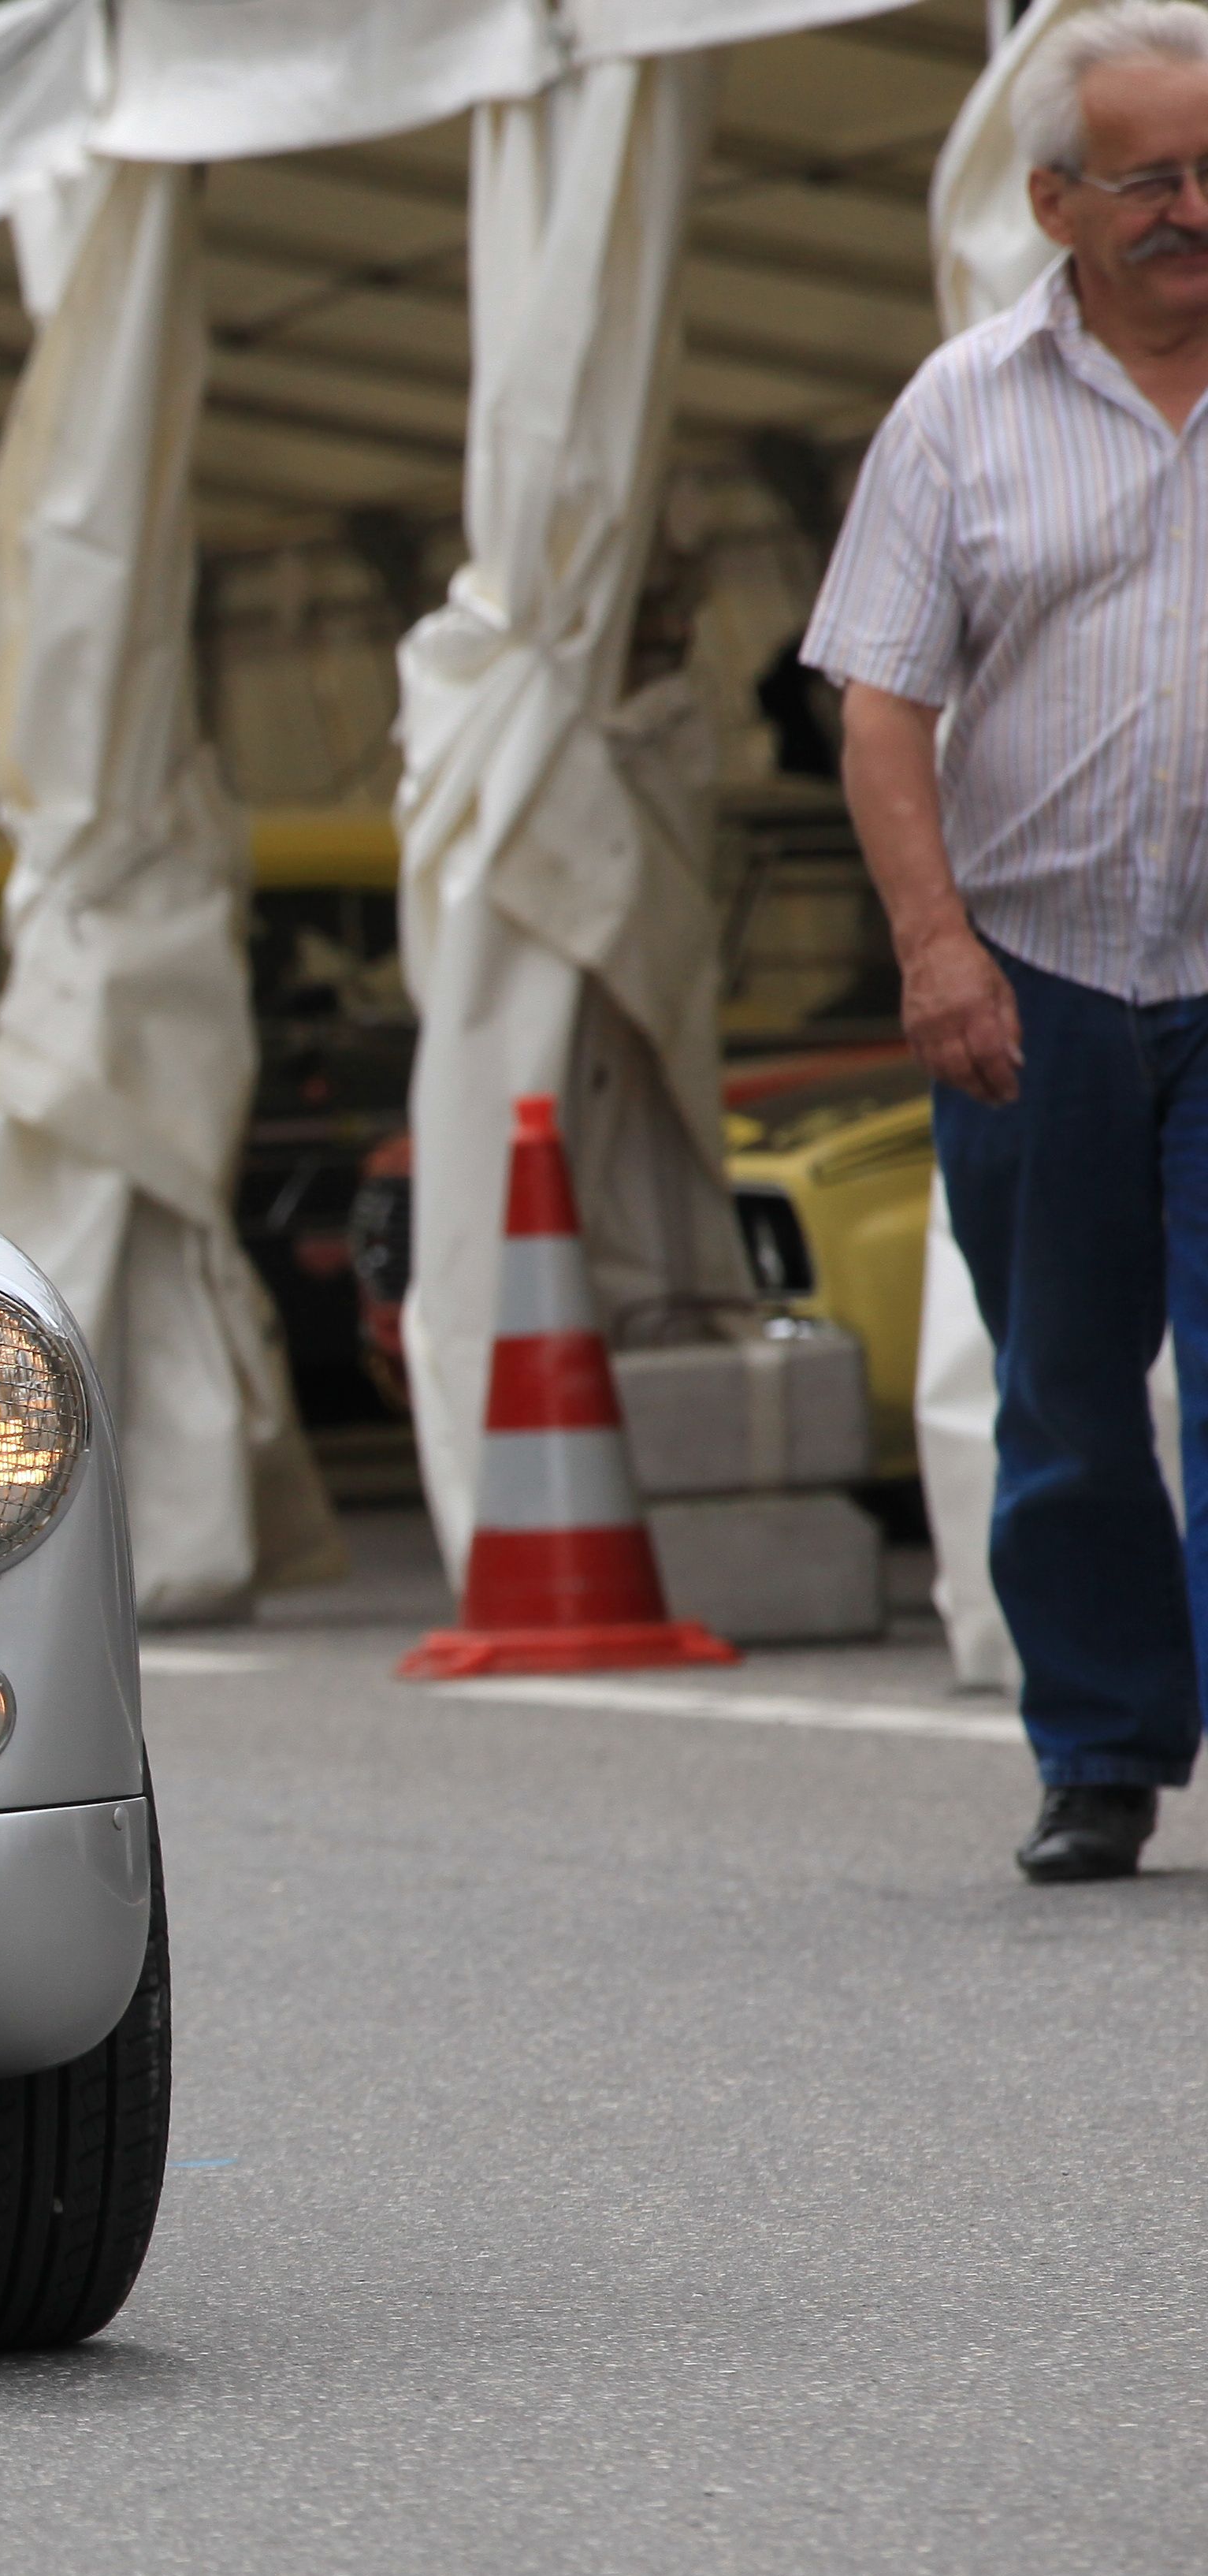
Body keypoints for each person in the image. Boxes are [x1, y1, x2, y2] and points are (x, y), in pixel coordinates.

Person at [808, 0, 1208, 1883]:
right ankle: (1102, 1746)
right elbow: (881, 707)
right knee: (1058, 1386)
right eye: (1150, 180)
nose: (1189, 210)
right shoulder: (958, 409)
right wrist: (932, 948)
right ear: (1054, 201)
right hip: (1036, 978)